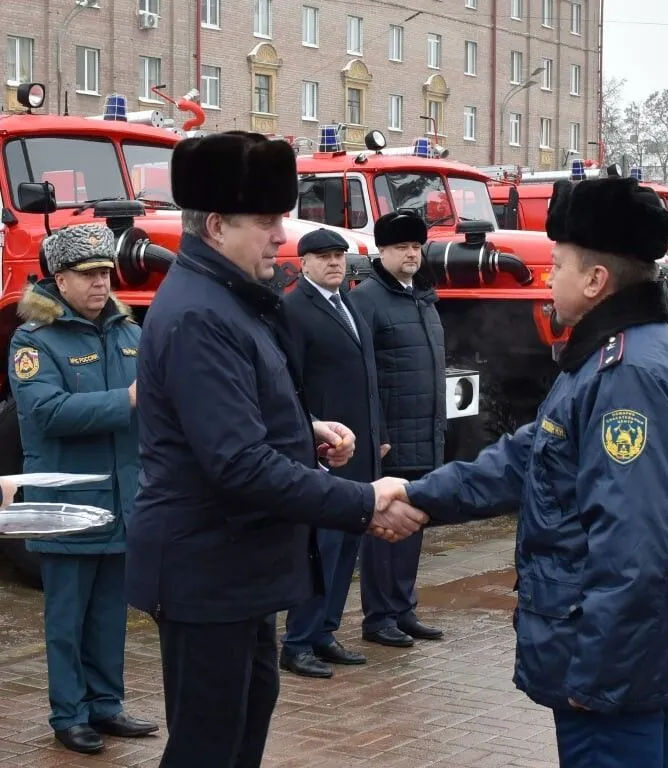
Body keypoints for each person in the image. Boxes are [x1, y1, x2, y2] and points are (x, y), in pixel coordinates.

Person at [125, 130, 428, 768]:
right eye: (265, 222)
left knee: (243, 728)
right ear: (215, 224)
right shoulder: (200, 315)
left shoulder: (228, 299)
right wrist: (360, 501)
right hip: (205, 570)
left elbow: (239, 413)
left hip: (238, 568)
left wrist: (305, 430)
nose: (278, 236)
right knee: (209, 746)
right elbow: (235, 462)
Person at [399, 176, 668, 767]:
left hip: (609, 675)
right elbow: (532, 455)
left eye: (559, 265)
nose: (548, 276)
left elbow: (635, 549)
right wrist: (421, 494)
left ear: (596, 280)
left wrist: (596, 677)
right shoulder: (609, 354)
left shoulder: (628, 374)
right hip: (619, 666)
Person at [9, 223, 158, 755]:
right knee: (66, 620)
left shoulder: (128, 332)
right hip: (67, 506)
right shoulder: (33, 340)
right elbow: (45, 413)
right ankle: (68, 714)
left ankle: (106, 704)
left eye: (105, 273)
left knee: (110, 614)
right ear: (59, 279)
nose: (101, 284)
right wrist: (131, 401)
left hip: (122, 501)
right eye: (87, 274)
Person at [278, 228, 384, 678]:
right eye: (323, 257)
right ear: (303, 263)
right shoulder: (293, 309)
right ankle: (298, 641)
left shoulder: (351, 303)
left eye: (339, 255)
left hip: (359, 448)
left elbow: (366, 375)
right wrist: (310, 438)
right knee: (321, 548)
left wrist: (378, 433)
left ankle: (325, 631)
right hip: (324, 451)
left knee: (347, 546)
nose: (335, 263)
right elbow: (289, 384)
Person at [348, 210, 447, 647]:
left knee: (415, 522)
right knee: (386, 527)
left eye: (415, 246)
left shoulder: (422, 298)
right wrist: (379, 431)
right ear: (382, 250)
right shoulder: (367, 299)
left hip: (425, 431)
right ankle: (379, 615)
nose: (411, 254)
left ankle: (403, 608)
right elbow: (364, 373)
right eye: (402, 247)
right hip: (391, 439)